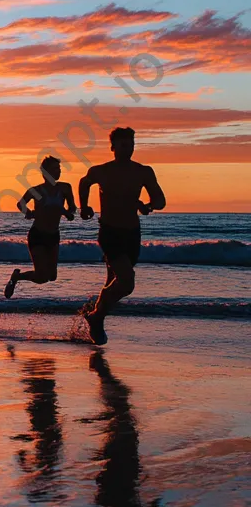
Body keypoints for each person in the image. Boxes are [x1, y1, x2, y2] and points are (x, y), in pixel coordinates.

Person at [78, 127, 165, 344]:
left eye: (132, 145)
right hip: (110, 232)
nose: (129, 149)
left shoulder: (143, 171)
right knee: (126, 283)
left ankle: (94, 315)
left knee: (114, 282)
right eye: (124, 145)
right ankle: (96, 317)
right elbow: (84, 181)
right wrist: (84, 206)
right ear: (113, 147)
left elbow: (160, 200)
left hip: (132, 234)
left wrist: (148, 206)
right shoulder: (102, 171)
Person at [5, 156, 77, 298]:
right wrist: (29, 213)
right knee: (41, 276)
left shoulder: (65, 188)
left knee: (52, 276)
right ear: (45, 172)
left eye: (59, 169)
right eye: (55, 169)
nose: (58, 171)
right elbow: (21, 204)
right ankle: (16, 278)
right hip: (37, 234)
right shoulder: (36, 190)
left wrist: (69, 213)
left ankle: (18, 276)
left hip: (53, 235)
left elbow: (72, 207)